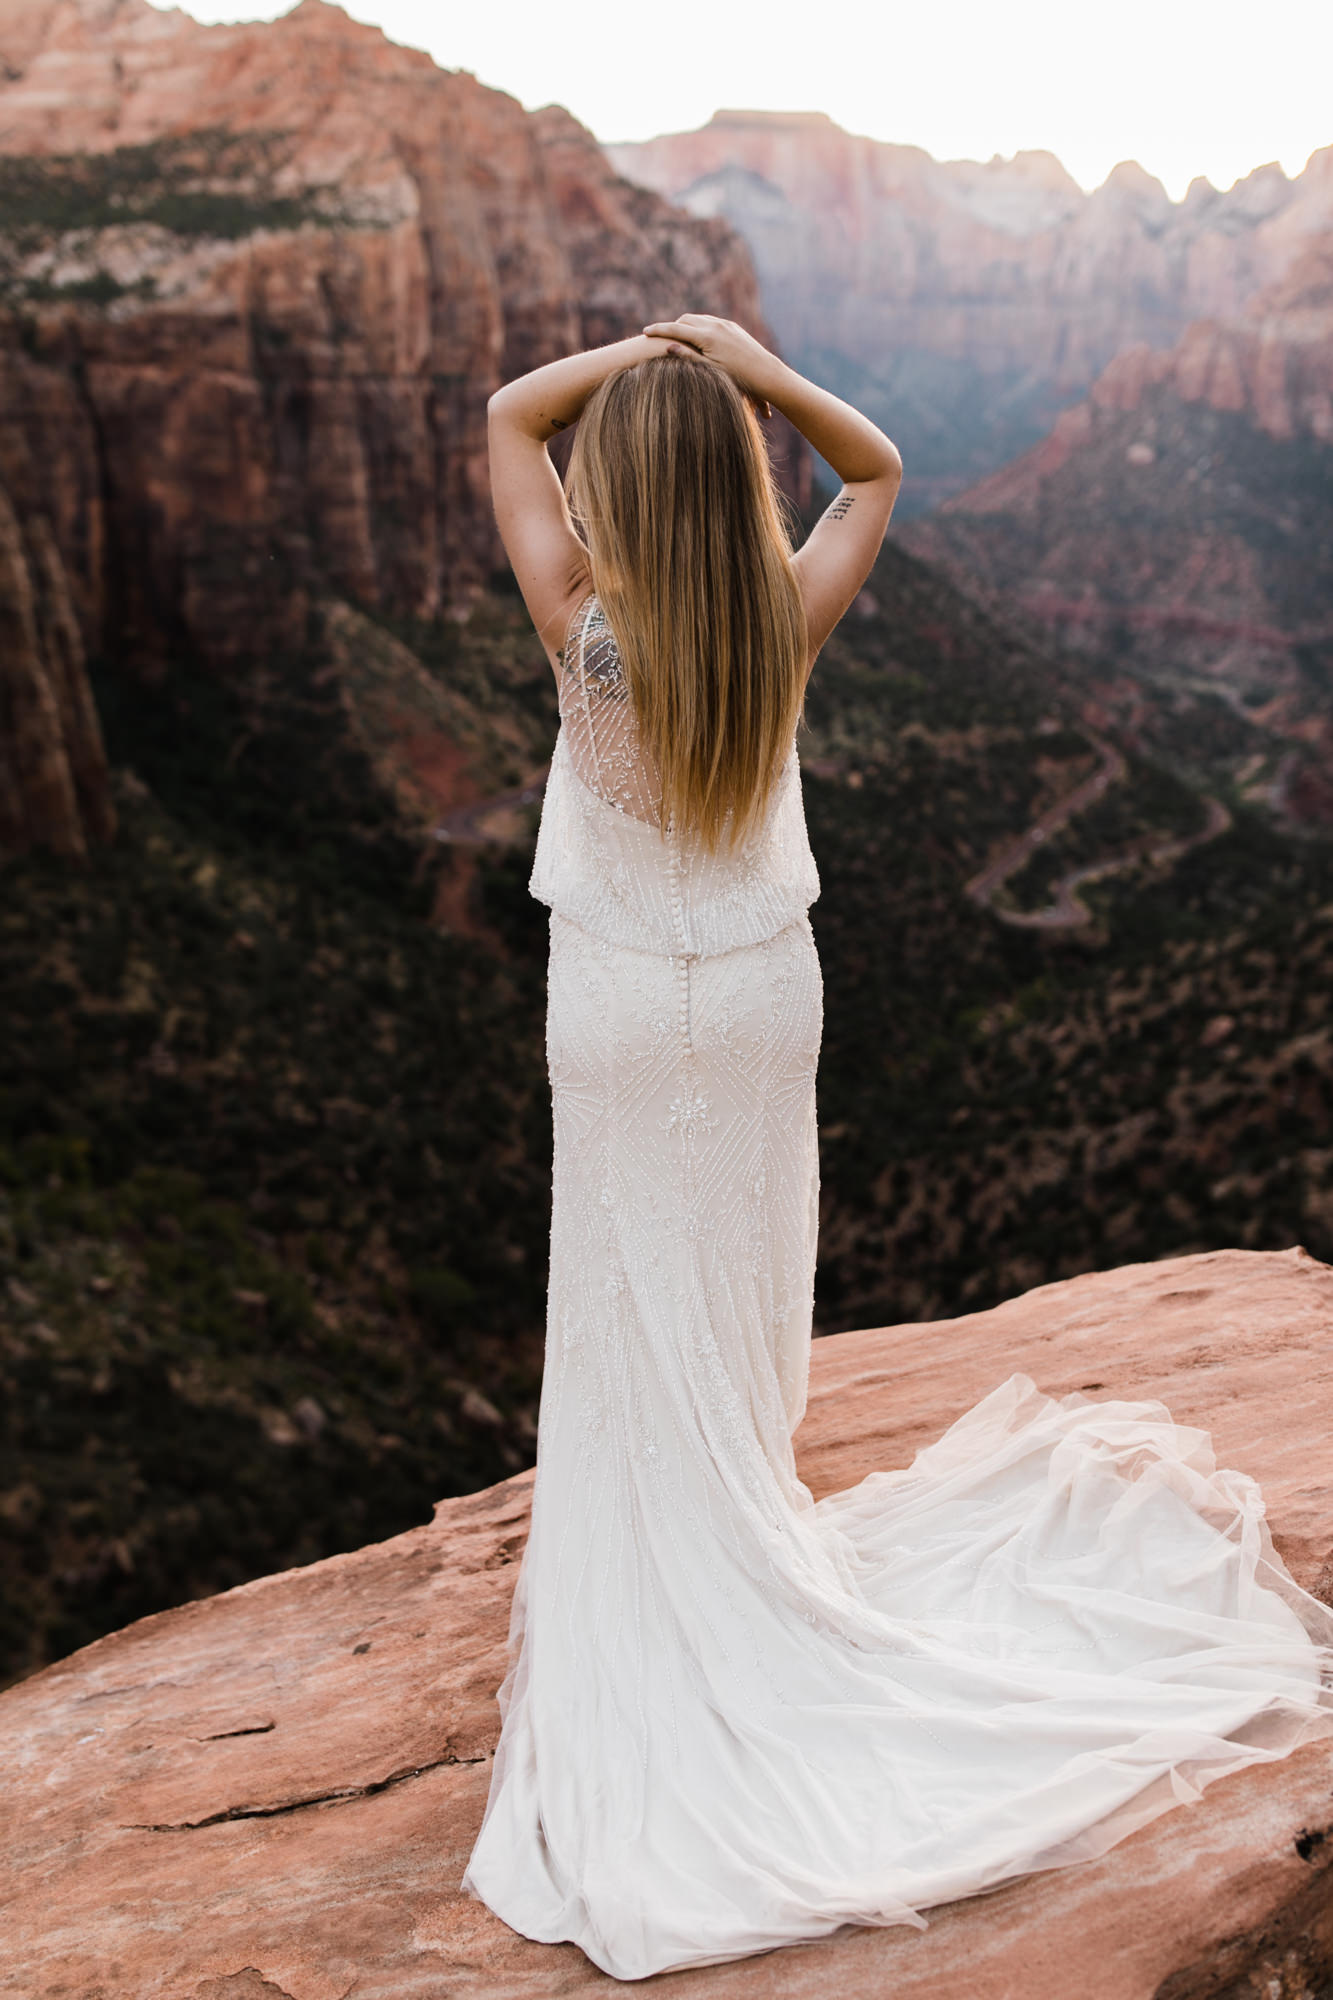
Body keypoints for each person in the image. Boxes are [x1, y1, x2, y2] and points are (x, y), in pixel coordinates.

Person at [461, 315, 1333, 1981]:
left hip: (625, 1015)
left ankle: (666, 1566)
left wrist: (632, 361)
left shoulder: (582, 630)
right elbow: (875, 467)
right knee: (727, 1270)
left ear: (613, 505)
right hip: (762, 996)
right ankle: (737, 1518)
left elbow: (510, 415)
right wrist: (747, 372)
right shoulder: (779, 615)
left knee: (627, 1283)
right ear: (734, 493)